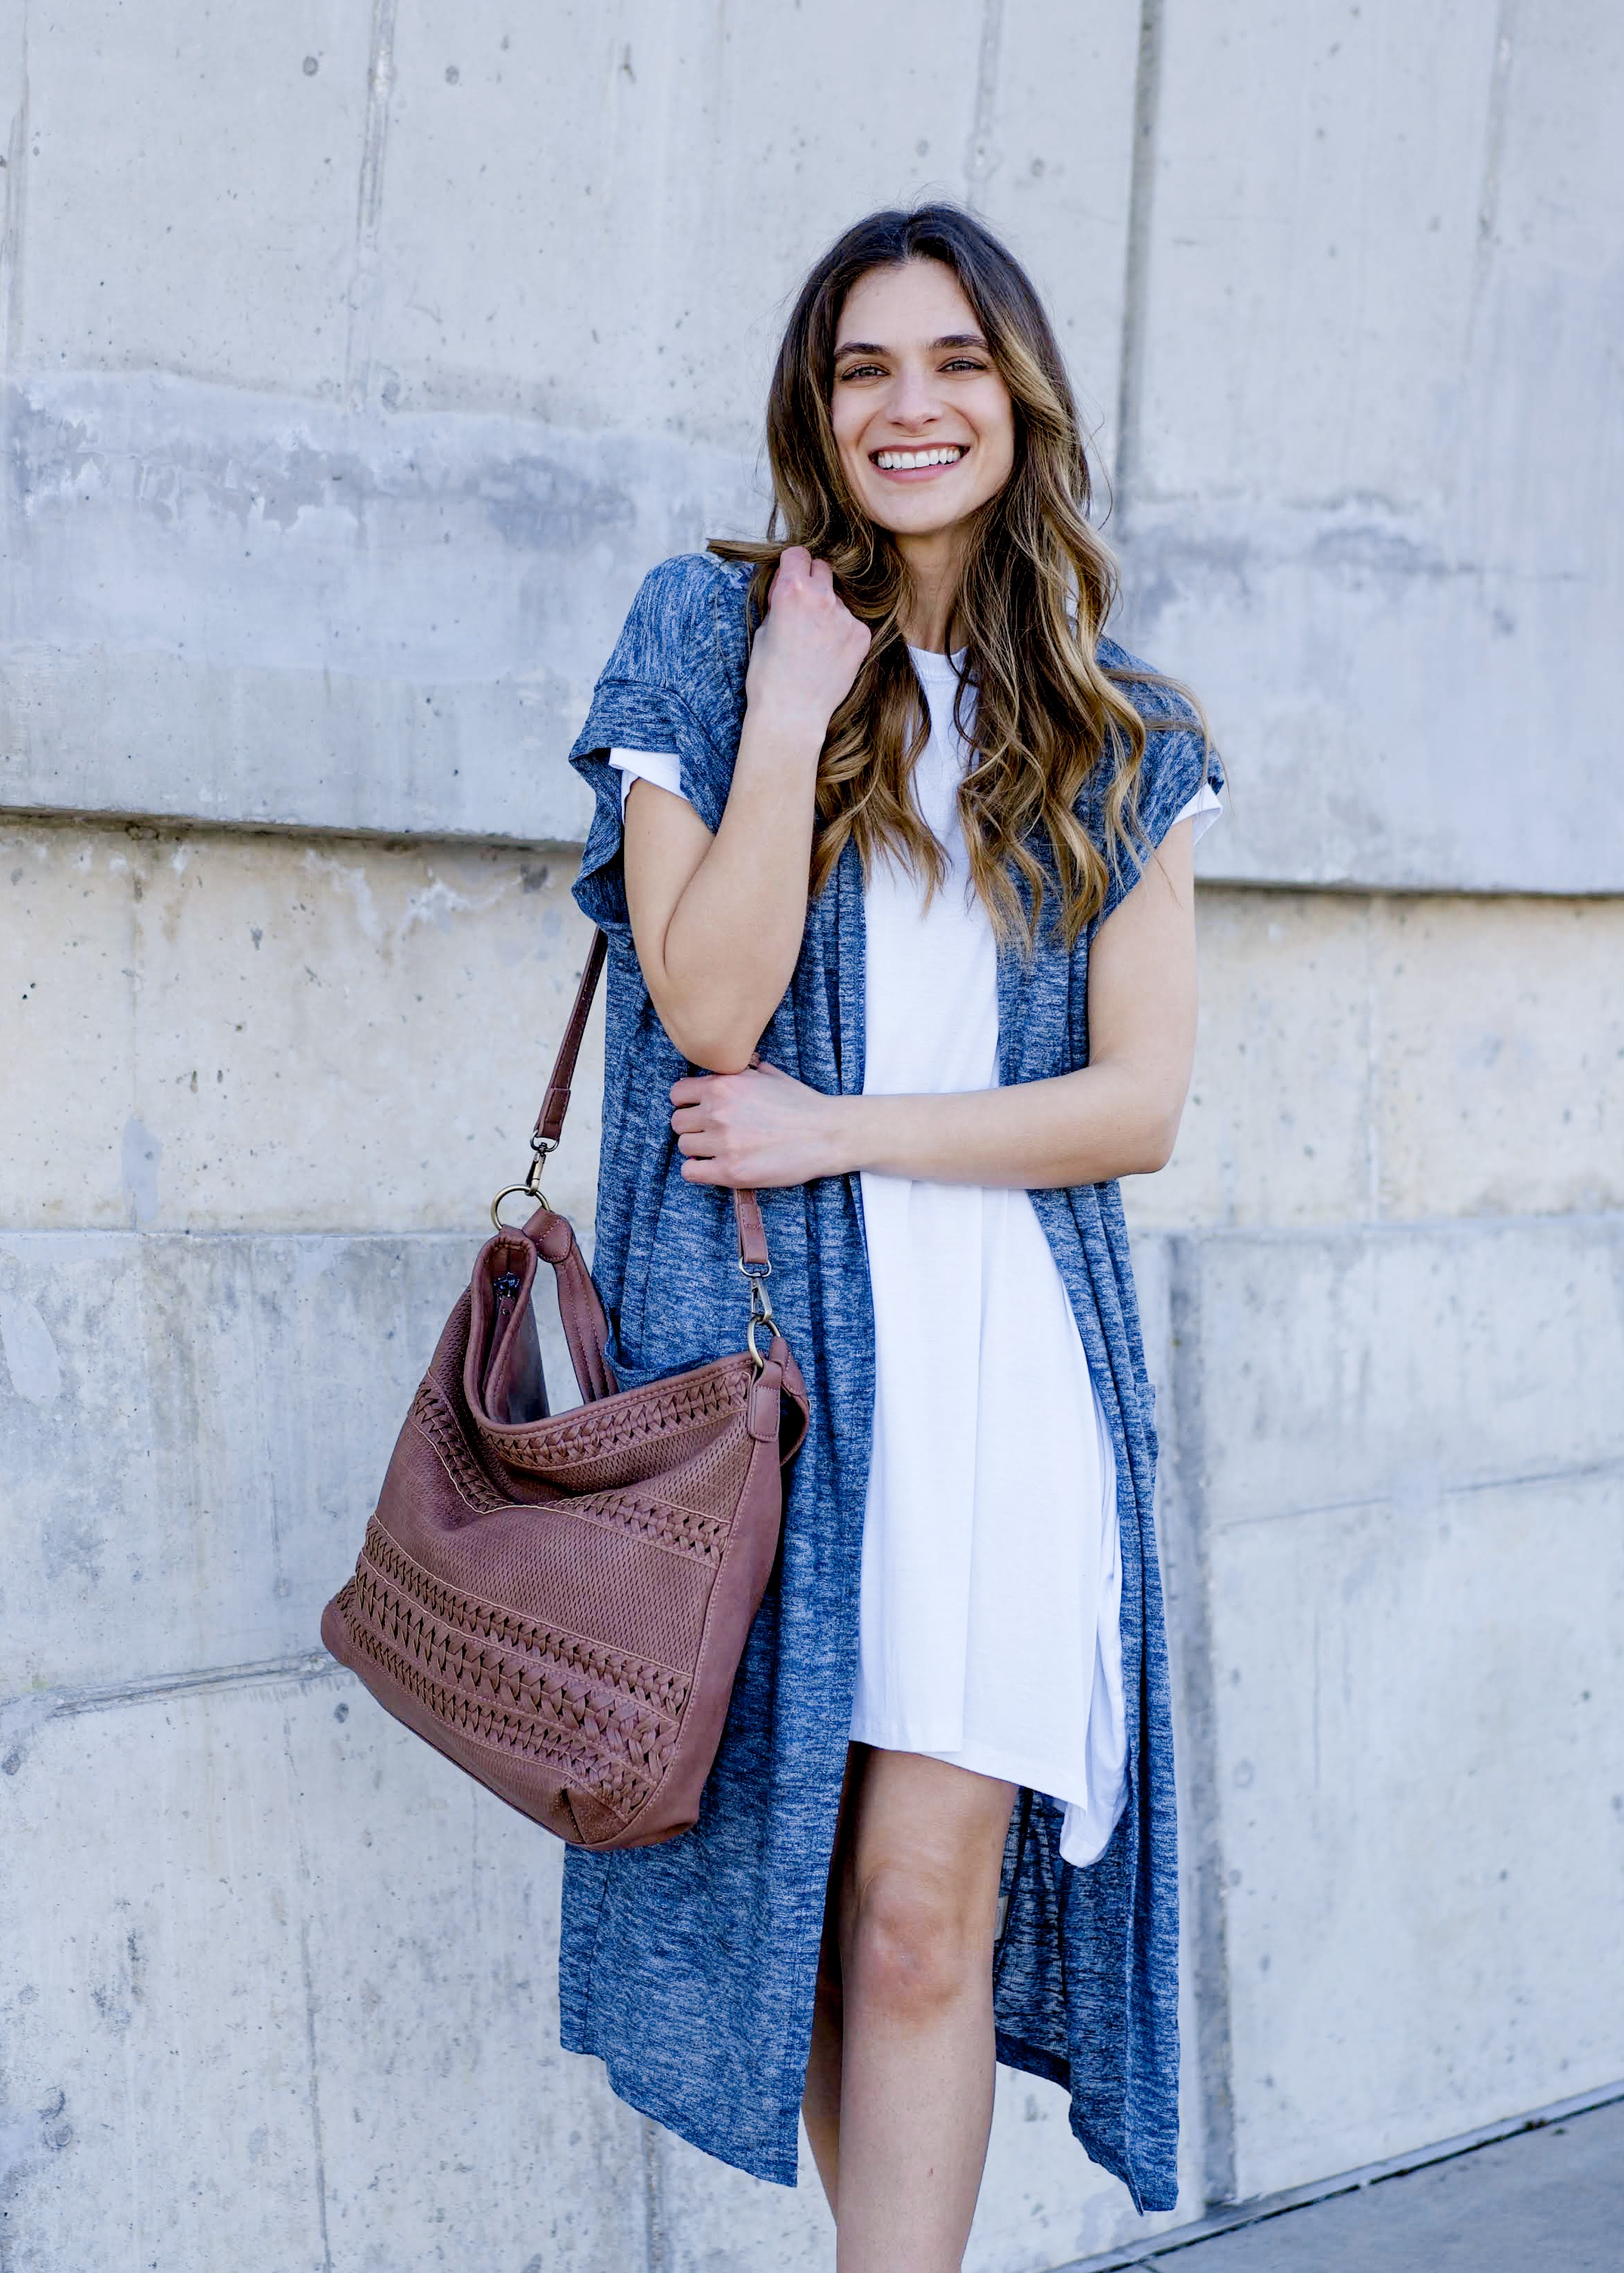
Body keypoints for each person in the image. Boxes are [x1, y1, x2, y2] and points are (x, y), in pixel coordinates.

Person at [561, 204, 1222, 2271]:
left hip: (1007, 1381)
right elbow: (707, 1007)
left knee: (926, 1923)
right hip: (781, 1387)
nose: (910, 407)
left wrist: (842, 1132)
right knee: (818, 1913)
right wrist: (787, 701)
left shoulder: (1119, 735)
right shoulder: (701, 622)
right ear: (815, 409)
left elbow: (1134, 1105)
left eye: (951, 364)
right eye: (864, 371)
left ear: (1017, 402)